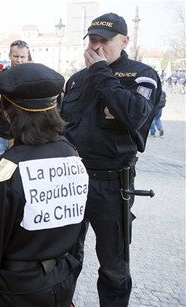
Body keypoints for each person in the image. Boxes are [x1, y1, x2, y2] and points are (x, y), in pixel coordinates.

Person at [0, 63, 88, 306]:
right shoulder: (72, 155)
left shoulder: (5, 169)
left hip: (16, 291)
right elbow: (78, 231)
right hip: (60, 281)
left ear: (10, 113)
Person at [61, 13, 162, 307]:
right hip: (74, 180)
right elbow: (63, 127)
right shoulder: (77, 80)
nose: (96, 46)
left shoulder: (141, 75)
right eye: (93, 39)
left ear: (124, 41)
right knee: (65, 255)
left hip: (111, 185)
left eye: (104, 40)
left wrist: (102, 72)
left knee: (113, 265)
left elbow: (134, 115)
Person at [0, 40, 31, 164]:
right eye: (16, 56)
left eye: (23, 57)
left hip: (24, 136)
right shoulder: (0, 76)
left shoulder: (33, 78)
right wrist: (0, 89)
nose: (19, 60)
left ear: (28, 57)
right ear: (10, 56)